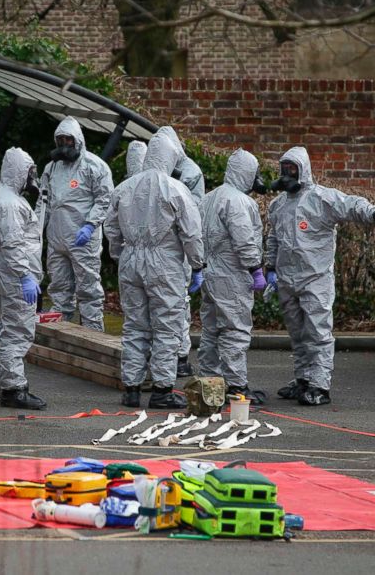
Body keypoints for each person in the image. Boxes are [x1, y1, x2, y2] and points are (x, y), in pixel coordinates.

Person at [264, 146, 375, 406]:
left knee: (318, 333)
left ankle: (320, 385)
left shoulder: (321, 199)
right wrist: (271, 268)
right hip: (287, 279)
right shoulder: (278, 205)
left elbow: (350, 204)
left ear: (303, 169)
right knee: (298, 334)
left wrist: (373, 213)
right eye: (285, 169)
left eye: (292, 169)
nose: (287, 174)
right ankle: (303, 379)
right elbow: (274, 238)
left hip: (315, 278)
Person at [106, 128, 205, 409]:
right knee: (166, 327)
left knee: (135, 325)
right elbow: (191, 233)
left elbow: (110, 228)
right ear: (171, 157)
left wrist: (119, 255)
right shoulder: (175, 189)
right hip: (165, 263)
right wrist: (197, 265)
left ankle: (132, 389)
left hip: (131, 260)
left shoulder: (125, 187)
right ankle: (162, 389)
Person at [197, 149, 269, 404]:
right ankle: (236, 387)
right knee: (235, 330)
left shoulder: (209, 198)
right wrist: (255, 269)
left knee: (211, 330)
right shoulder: (238, 201)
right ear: (248, 173)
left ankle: (209, 385)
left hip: (209, 273)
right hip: (232, 274)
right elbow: (244, 240)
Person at [0, 147, 47, 410]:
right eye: (30, 172)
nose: (32, 178)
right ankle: (14, 388)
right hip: (13, 271)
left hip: (2, 268)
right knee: (18, 330)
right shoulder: (9, 203)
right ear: (20, 171)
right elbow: (13, 244)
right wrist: (25, 275)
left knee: (3, 328)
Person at [38, 116, 114, 332]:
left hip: (83, 239)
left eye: (68, 140)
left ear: (77, 140)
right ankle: (59, 333)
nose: (64, 144)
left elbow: (105, 198)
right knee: (59, 288)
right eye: (60, 139)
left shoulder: (95, 166)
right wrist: (36, 229)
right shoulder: (51, 168)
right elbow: (43, 202)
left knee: (88, 289)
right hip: (56, 239)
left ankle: (93, 334)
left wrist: (90, 225)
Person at [161, 127, 205, 379]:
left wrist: (196, 262)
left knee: (179, 304)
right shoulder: (162, 174)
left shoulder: (189, 172)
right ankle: (167, 356)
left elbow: (188, 211)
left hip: (180, 246)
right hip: (166, 247)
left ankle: (180, 355)